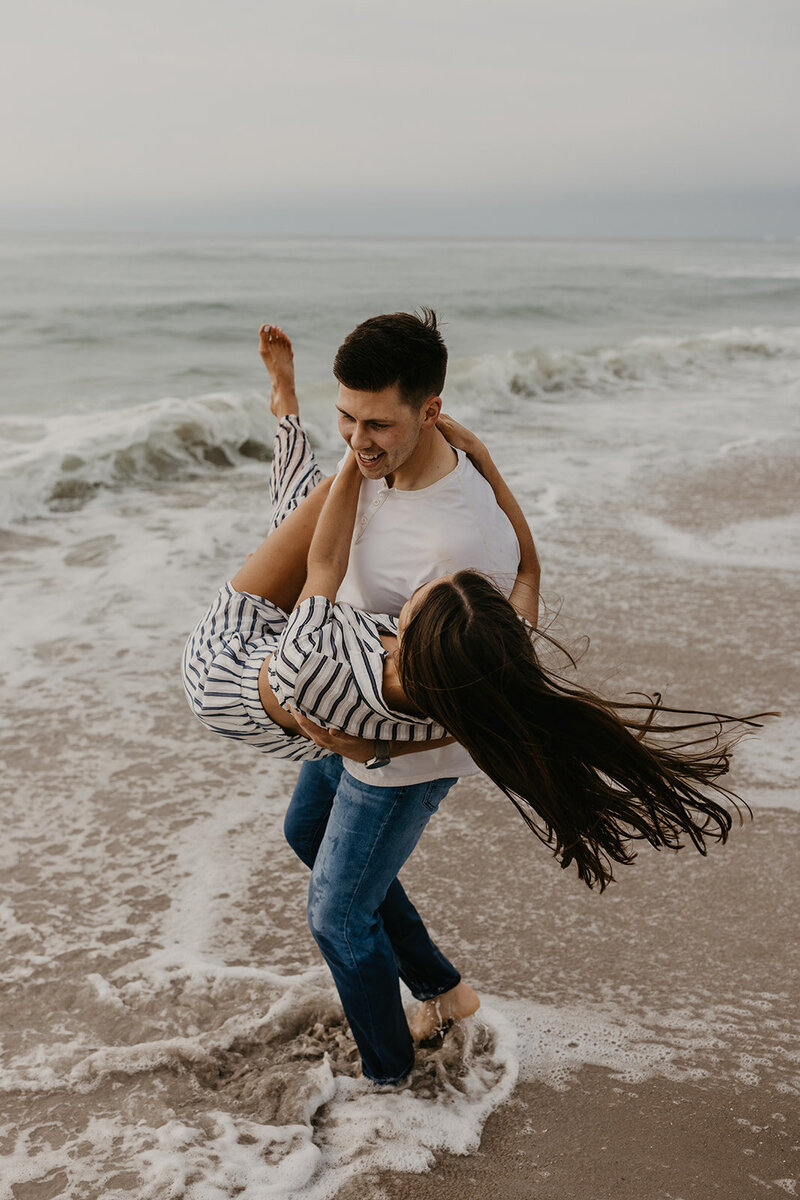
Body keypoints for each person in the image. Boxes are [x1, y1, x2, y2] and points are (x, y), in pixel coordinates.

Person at [185, 316, 766, 1087]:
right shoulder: (386, 465)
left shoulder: (457, 553)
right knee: (305, 831)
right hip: (353, 711)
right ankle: (444, 991)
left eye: (378, 423)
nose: (358, 440)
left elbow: (489, 680)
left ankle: (388, 1078)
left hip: (394, 747)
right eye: (347, 417)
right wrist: (288, 399)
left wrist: (378, 747)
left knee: (336, 916)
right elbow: (312, 518)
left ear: (429, 411)